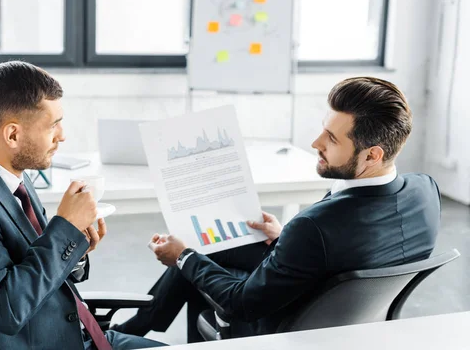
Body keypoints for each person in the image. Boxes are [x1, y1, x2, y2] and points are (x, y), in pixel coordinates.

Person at [113, 76, 441, 342]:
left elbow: (241, 303)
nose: (315, 143)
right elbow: (352, 245)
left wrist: (182, 257)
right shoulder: (425, 191)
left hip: (285, 326)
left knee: (193, 258)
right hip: (347, 317)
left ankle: (125, 333)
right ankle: (139, 324)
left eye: (332, 139)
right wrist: (285, 236)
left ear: (373, 155)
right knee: (207, 243)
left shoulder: (314, 228)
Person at [0, 61, 166, 350]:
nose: (62, 135)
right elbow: (7, 309)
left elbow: (34, 264)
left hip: (81, 336)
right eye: (53, 125)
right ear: (13, 134)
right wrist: (64, 228)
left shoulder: (12, 179)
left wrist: (76, 247)